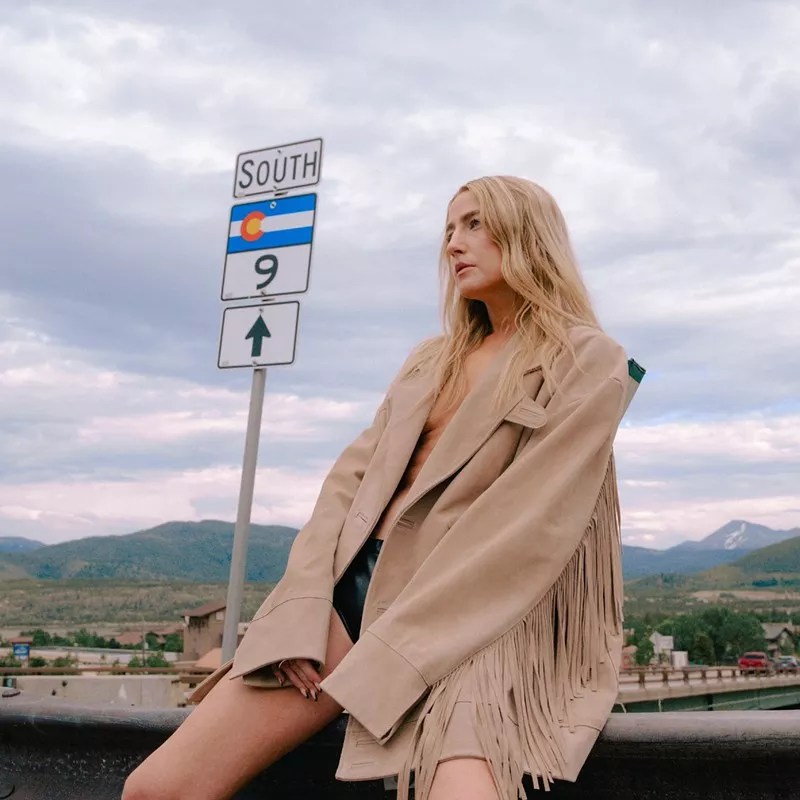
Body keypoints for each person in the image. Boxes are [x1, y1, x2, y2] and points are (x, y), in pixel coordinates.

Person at [123, 175, 642, 800]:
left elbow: (529, 527)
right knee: (157, 790)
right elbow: (343, 491)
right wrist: (303, 612)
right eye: (449, 230)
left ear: (528, 232)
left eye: (474, 223)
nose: (455, 243)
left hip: (474, 623)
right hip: (353, 599)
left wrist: (395, 657)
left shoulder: (586, 358)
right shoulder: (430, 360)